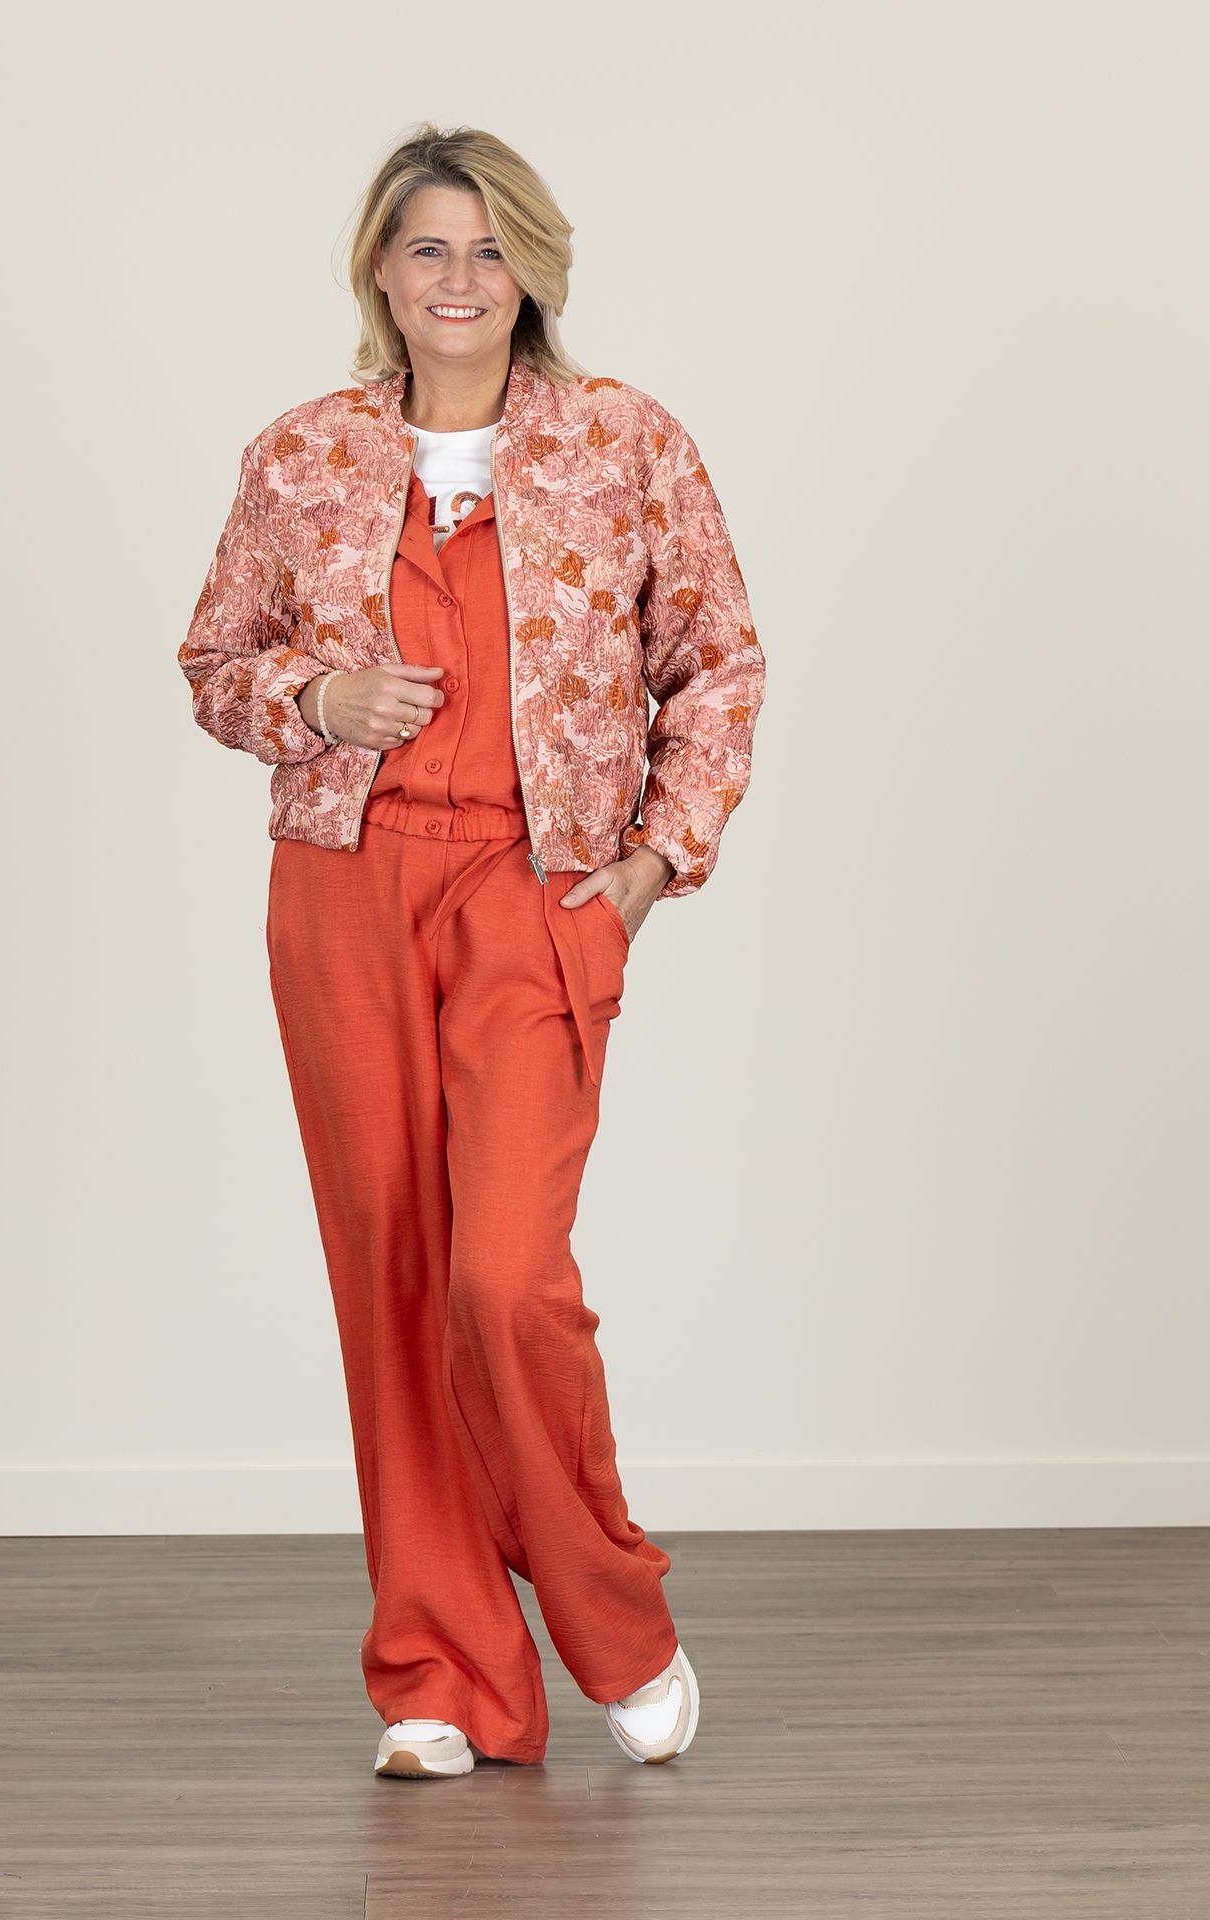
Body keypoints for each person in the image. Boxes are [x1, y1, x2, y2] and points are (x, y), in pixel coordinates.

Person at [177, 123, 766, 1778]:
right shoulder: (300, 454)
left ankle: (613, 1617)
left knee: (503, 1279)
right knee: (391, 1276)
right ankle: (439, 1676)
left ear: (536, 270)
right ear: (380, 267)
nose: (460, 278)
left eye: (491, 248)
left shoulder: (626, 442)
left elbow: (718, 661)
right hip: (345, 888)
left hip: (538, 886)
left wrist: (652, 863)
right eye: (429, 247)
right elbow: (215, 661)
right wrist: (317, 697)